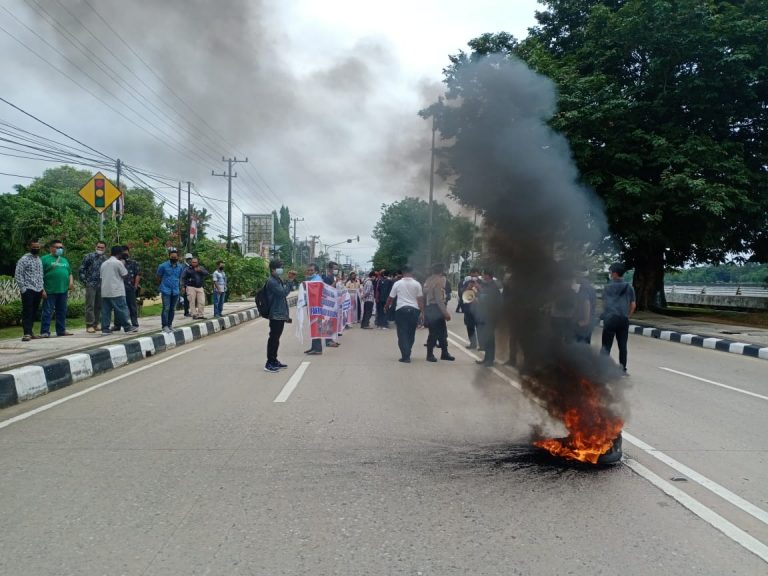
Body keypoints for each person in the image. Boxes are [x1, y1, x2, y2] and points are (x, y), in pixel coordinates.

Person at [601, 263, 636, 374]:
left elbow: (604, 304)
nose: (610, 275)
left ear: (615, 274)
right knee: (622, 346)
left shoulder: (608, 287)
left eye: (611, 273)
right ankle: (622, 369)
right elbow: (633, 305)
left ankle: (602, 368)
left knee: (606, 346)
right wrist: (628, 316)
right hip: (623, 320)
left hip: (610, 319)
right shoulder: (629, 287)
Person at [385, 265, 424, 363]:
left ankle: (405, 356)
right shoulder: (417, 284)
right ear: (412, 272)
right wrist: (422, 312)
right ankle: (408, 352)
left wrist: (386, 306)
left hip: (401, 310)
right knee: (411, 333)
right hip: (414, 310)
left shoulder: (398, 283)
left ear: (402, 272)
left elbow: (391, 297)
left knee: (402, 333)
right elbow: (420, 300)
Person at [100, 246, 138, 335]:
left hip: (105, 291)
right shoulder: (118, 263)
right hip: (117, 291)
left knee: (106, 311)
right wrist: (123, 264)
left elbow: (101, 277)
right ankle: (127, 327)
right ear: (119, 253)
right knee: (121, 309)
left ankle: (105, 329)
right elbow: (125, 274)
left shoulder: (104, 263)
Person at [39, 239, 73, 338]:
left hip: (63, 290)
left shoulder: (64, 260)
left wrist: (71, 282)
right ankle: (44, 331)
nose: (59, 249)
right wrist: (42, 289)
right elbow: (39, 275)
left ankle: (61, 330)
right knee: (47, 311)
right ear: (51, 248)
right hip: (50, 290)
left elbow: (70, 273)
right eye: (57, 247)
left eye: (61, 247)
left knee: (62, 311)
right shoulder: (44, 259)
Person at [14, 239, 45, 342]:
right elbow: (18, 275)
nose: (36, 249)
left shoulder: (39, 259)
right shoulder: (24, 259)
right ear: (29, 247)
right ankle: (26, 333)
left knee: (34, 312)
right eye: (34, 247)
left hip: (38, 289)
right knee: (28, 311)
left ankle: (30, 332)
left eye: (37, 247)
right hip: (28, 289)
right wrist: (23, 289)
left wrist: (42, 288)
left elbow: (40, 275)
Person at [423, 264, 455, 362]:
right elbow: (439, 299)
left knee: (438, 332)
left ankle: (444, 353)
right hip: (436, 308)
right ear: (441, 272)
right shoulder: (439, 281)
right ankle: (431, 354)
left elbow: (424, 293)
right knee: (436, 332)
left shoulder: (428, 280)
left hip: (430, 307)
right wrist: (445, 313)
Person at [264, 259, 291, 372]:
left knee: (276, 339)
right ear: (273, 269)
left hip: (279, 314)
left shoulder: (277, 279)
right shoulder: (272, 281)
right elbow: (283, 293)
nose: (282, 269)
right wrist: (290, 282)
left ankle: (274, 360)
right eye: (280, 267)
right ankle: (269, 363)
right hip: (275, 314)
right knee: (273, 338)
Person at [474, 269, 502, 367]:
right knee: (487, 338)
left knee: (490, 338)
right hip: (486, 316)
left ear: (488, 276)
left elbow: (488, 299)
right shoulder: (487, 285)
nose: (482, 277)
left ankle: (490, 359)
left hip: (491, 316)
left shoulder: (493, 286)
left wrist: (479, 290)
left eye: (483, 275)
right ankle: (486, 358)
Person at [79, 240, 107, 333]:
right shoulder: (89, 256)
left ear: (105, 249)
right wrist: (85, 281)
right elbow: (82, 269)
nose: (100, 249)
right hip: (91, 284)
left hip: (101, 284)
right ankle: (89, 325)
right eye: (98, 247)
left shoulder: (105, 259)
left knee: (98, 305)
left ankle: (96, 324)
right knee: (90, 305)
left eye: (102, 247)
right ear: (96, 247)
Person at [156, 248, 184, 333]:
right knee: (166, 308)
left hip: (175, 290)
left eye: (175, 257)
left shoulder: (180, 267)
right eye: (172, 257)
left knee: (172, 309)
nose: (174, 258)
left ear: (178, 257)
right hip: (166, 290)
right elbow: (158, 277)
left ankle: (170, 324)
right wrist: (161, 286)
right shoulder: (163, 266)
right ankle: (164, 326)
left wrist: (181, 287)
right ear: (169, 257)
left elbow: (180, 278)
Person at [115, 245, 141, 329]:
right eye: (123, 252)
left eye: (126, 252)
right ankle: (117, 325)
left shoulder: (133, 263)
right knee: (118, 307)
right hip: (118, 288)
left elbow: (138, 274)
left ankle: (134, 324)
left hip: (130, 288)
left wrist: (135, 286)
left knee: (132, 306)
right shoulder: (116, 263)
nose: (125, 254)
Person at [304, 262, 325, 355]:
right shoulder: (311, 279)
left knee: (316, 326)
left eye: (311, 270)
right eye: (308, 270)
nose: (310, 272)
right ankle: (314, 347)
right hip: (312, 306)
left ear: (316, 271)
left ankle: (318, 349)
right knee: (313, 326)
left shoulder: (317, 280)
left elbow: (316, 293)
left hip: (317, 308)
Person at [321, 262, 340, 348]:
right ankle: (328, 341)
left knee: (331, 321)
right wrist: (336, 282)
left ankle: (330, 339)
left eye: (337, 269)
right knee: (327, 321)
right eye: (334, 268)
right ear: (329, 269)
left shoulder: (333, 277)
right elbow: (328, 290)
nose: (336, 270)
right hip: (327, 303)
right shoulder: (327, 278)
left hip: (333, 303)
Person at [462, 269, 481, 348]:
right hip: (468, 309)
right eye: (472, 275)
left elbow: (484, 293)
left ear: (478, 274)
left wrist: (478, 287)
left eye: (475, 275)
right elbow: (462, 294)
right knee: (470, 327)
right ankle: (473, 343)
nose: (474, 277)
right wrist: (468, 287)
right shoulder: (466, 283)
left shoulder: (481, 282)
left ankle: (482, 345)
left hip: (479, 309)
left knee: (480, 327)